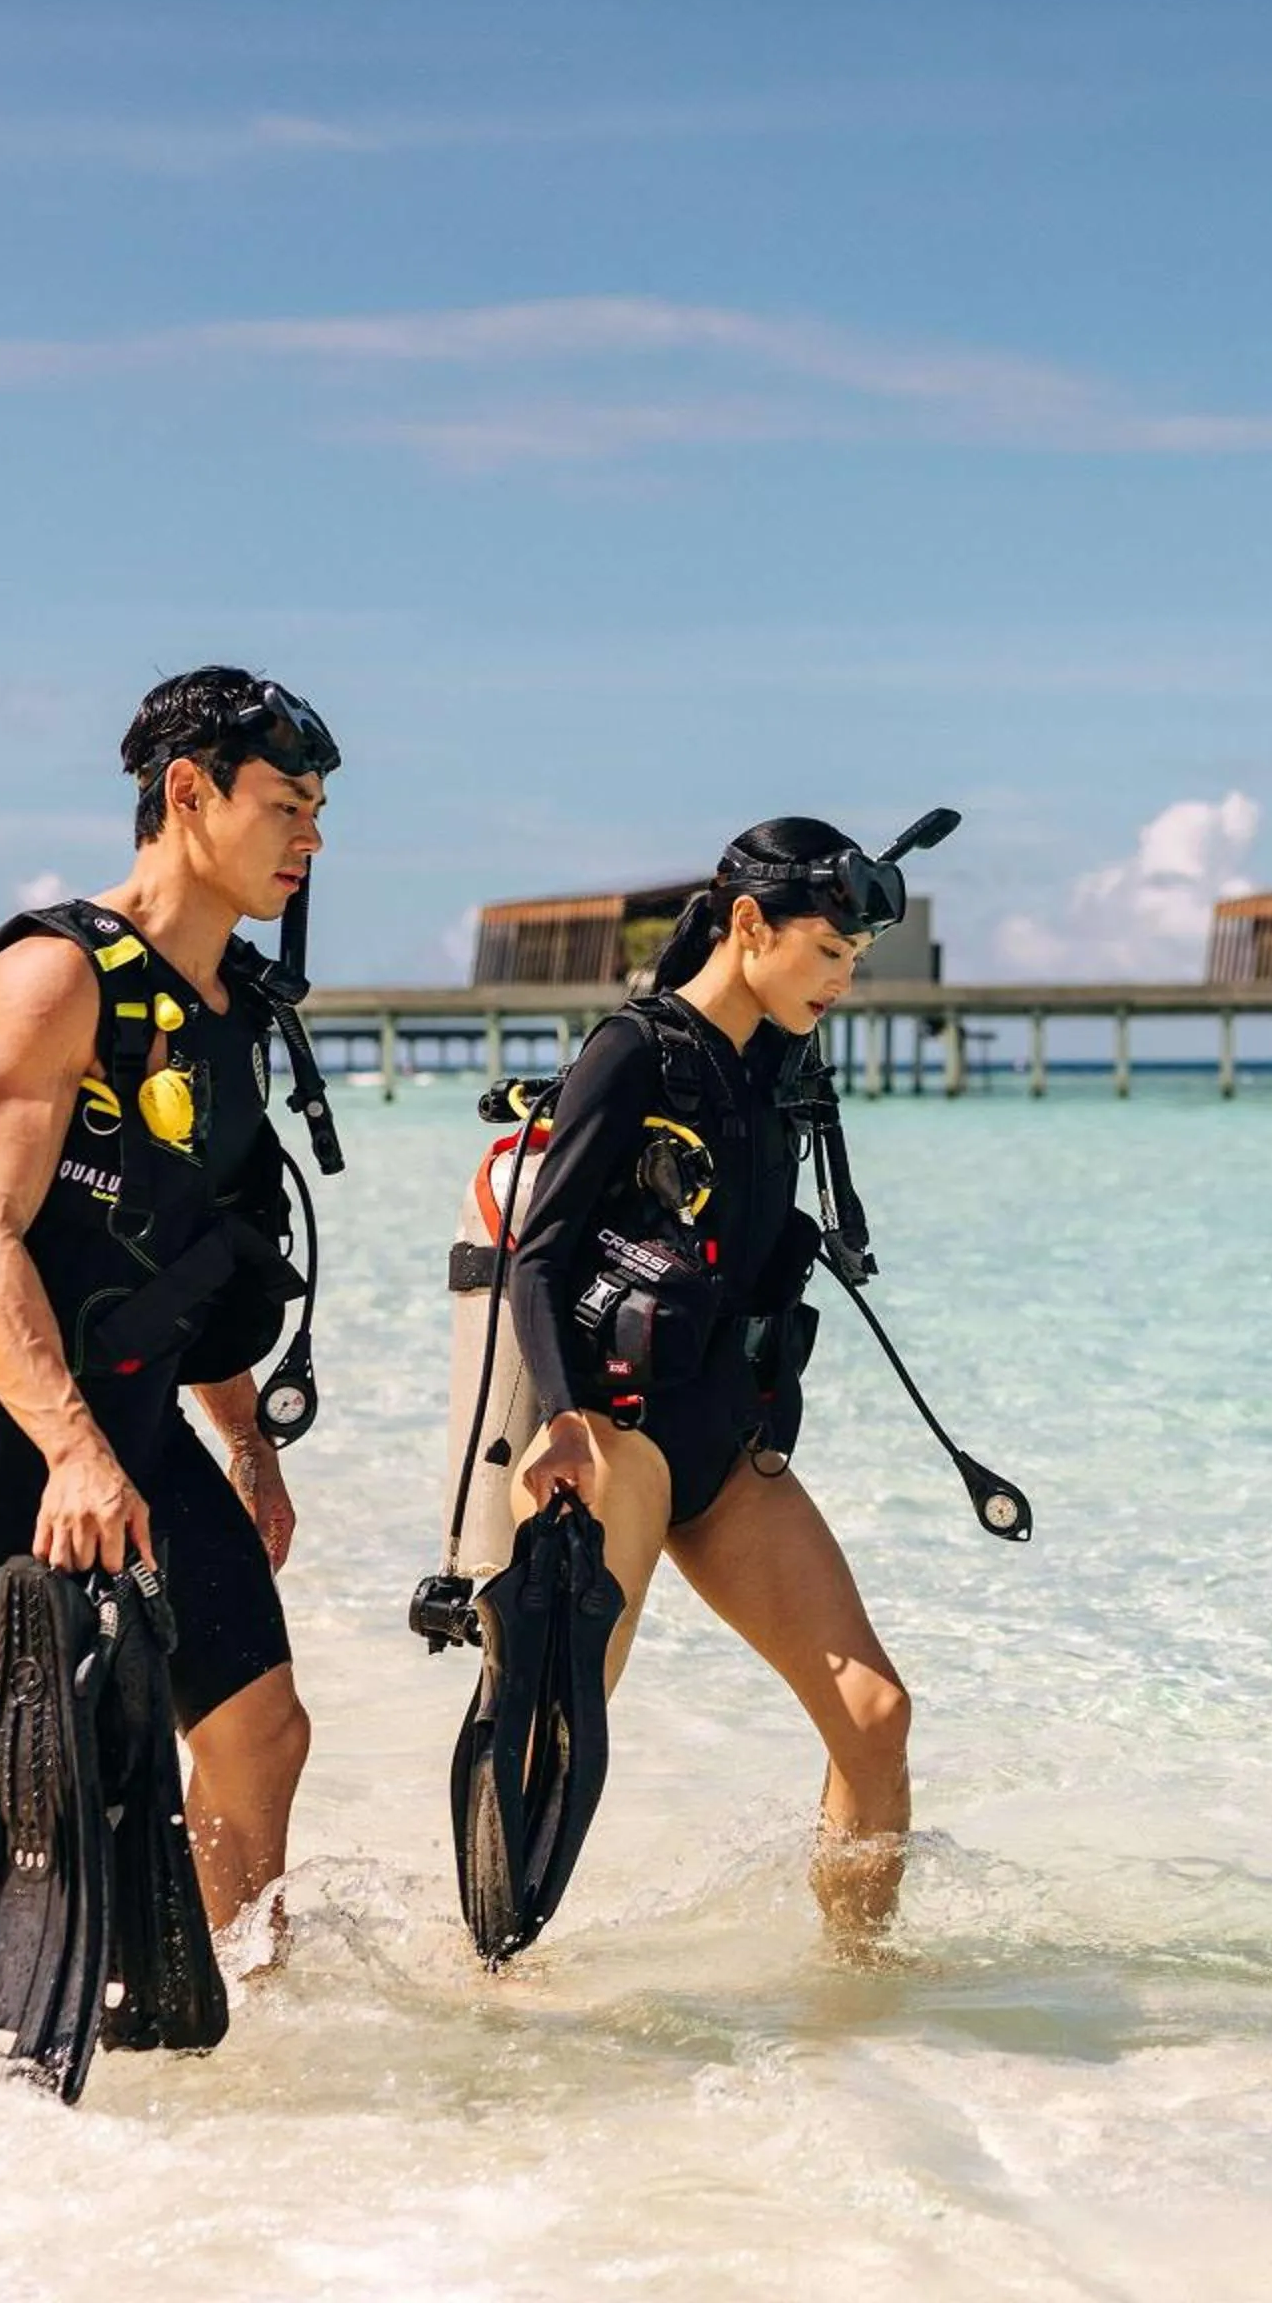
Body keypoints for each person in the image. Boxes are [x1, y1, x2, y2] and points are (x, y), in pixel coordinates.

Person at [0, 668, 337, 2001]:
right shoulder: (52, 979)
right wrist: (76, 1456)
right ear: (189, 794)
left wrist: (246, 1444)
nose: (311, 840)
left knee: (261, 1733)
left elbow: (196, 1255)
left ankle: (220, 2023)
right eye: (286, 806)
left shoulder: (231, 1011)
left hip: (137, 1426)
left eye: (319, 811)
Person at [496, 817, 920, 1938]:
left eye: (853, 960)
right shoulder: (632, 1053)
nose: (841, 981)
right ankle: (490, 1978)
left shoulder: (780, 1068)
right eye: (827, 952)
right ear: (749, 925)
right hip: (615, 1440)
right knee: (560, 1730)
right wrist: (565, 1421)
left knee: (875, 1714)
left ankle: (862, 1987)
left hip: (725, 1448)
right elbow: (536, 1260)